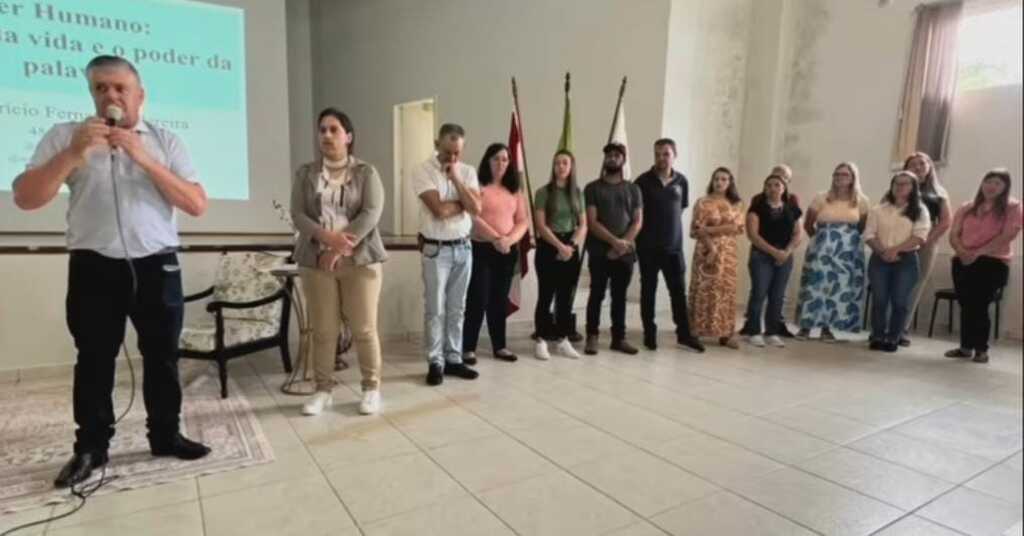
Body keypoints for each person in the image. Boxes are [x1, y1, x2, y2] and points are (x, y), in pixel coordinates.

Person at [12, 56, 210, 488]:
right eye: (101, 88)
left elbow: (196, 203)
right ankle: (91, 448)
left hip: (157, 264)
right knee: (95, 359)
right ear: (91, 95)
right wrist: (72, 154)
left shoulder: (165, 140)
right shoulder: (67, 137)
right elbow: (26, 198)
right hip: (93, 266)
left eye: (120, 88)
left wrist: (143, 159)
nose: (110, 96)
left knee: (162, 356)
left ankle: (165, 435)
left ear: (140, 95)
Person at [290, 108, 387, 416]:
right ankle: (323, 391)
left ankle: (371, 389)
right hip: (316, 260)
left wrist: (339, 247)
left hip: (360, 261)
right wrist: (326, 239)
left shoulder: (366, 172)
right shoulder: (305, 173)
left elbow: (371, 213)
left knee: (364, 329)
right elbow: (298, 214)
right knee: (323, 330)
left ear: (348, 136)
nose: (327, 135)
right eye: (322, 130)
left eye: (334, 129)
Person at [412, 124, 482, 385]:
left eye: (457, 153)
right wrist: (463, 204)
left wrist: (455, 179)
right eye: (447, 152)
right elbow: (438, 211)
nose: (452, 159)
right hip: (435, 250)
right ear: (436, 143)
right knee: (435, 309)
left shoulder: (467, 172)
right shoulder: (422, 171)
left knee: (457, 308)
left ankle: (454, 358)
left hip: (463, 248)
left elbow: (476, 209)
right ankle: (435, 361)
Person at [633, 139, 705, 353]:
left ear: (674, 155)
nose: (661, 158)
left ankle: (684, 334)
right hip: (648, 248)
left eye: (666, 154)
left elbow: (679, 209)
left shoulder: (681, 181)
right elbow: (637, 215)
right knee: (648, 291)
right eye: (657, 154)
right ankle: (649, 333)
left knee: (678, 292)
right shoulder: (642, 182)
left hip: (673, 248)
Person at [946, 169, 1022, 364]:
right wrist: (962, 251)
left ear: (1005, 187)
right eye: (989, 181)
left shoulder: (1012, 207)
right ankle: (965, 347)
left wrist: (978, 253)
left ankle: (981, 349)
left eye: (998, 183)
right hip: (962, 259)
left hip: (993, 261)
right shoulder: (967, 207)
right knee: (966, 304)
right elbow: (954, 233)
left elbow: (1008, 235)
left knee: (979, 305)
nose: (992, 186)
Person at [462, 143, 529, 363]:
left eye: (504, 159)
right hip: (481, 248)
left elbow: (523, 220)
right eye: (496, 159)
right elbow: (473, 216)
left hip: (507, 250)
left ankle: (499, 346)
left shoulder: (514, 190)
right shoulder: (478, 185)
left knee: (499, 300)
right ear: (487, 161)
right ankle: (468, 348)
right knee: (478, 298)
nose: (500, 163)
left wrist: (509, 240)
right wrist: (496, 238)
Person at [794, 162, 870, 341]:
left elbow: (861, 226)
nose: (839, 178)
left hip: (847, 253)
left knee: (837, 289)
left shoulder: (861, 200)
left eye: (844, 175)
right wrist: (821, 241)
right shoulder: (821, 197)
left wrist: (845, 241)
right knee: (815, 285)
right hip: (821, 250)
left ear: (853, 178)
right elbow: (808, 224)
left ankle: (826, 328)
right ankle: (805, 326)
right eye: (836, 174)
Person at [583, 142, 643, 355]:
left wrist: (622, 244)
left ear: (623, 160)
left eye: (617, 155)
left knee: (620, 296)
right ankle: (592, 336)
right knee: (596, 294)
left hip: (625, 252)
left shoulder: (633, 189)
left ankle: (619, 338)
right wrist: (613, 242)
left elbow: (637, 221)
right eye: (608, 155)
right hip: (599, 251)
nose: (612, 158)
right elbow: (592, 221)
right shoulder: (592, 188)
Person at [864, 171, 931, 352]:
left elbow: (920, 236)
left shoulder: (920, 210)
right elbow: (869, 234)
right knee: (879, 300)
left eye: (905, 184)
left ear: (913, 187)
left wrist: (895, 250)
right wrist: (883, 251)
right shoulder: (878, 210)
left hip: (906, 260)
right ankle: (877, 335)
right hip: (879, 259)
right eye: (897, 183)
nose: (900, 187)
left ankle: (893, 337)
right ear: (891, 186)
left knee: (900, 301)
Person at [533, 150, 586, 360]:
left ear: (571, 167)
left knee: (566, 297)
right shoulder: (543, 193)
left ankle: (563, 339)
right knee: (546, 295)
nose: (561, 167)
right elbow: (541, 225)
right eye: (557, 163)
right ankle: (542, 340)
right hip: (549, 245)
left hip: (570, 246)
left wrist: (570, 246)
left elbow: (583, 225)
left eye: (565, 163)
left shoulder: (578, 193)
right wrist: (559, 247)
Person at [741, 174, 803, 347]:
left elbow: (798, 233)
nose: (773, 188)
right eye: (768, 185)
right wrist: (774, 252)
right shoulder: (757, 207)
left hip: (785, 256)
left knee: (777, 296)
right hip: (761, 256)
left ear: (784, 188)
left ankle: (772, 332)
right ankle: (753, 331)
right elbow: (753, 235)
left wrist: (786, 251)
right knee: (759, 293)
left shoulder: (791, 207)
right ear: (764, 188)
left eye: (777, 185)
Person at [689, 167, 745, 349]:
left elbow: (736, 228)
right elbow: (696, 230)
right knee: (704, 290)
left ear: (730, 183)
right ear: (712, 181)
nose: (719, 182)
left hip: (728, 254)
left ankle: (725, 334)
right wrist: (711, 248)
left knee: (725, 291)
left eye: (724, 179)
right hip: (705, 250)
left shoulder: (736, 204)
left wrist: (711, 229)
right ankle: (695, 331)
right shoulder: (702, 202)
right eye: (716, 179)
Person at [900, 152, 951, 346]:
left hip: (925, 245)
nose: (918, 167)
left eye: (922, 163)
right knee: (895, 284)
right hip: (899, 242)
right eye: (913, 164)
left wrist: (927, 240)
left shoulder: (939, 192)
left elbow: (946, 221)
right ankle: (885, 327)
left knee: (915, 285)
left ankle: (902, 328)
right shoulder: (899, 188)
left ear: (930, 167)